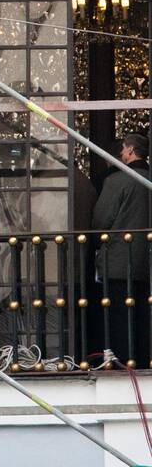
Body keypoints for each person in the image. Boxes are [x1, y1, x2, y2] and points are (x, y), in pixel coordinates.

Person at [91, 133, 151, 367]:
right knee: (143, 314)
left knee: (119, 316)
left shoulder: (117, 181)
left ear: (129, 151)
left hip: (118, 259)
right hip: (146, 262)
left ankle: (124, 362)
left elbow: (101, 221)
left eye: (124, 149)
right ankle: (145, 359)